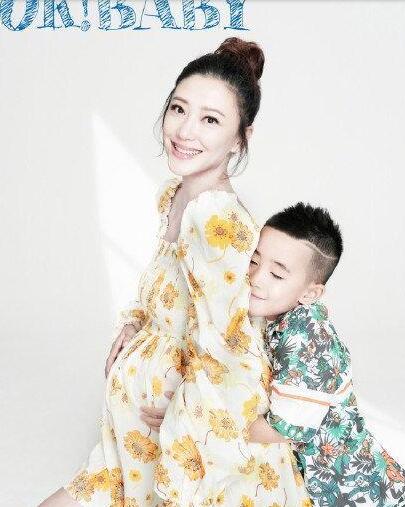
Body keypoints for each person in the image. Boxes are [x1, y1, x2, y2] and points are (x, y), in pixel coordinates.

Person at [38, 37, 309, 507]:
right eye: (179, 109)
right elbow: (168, 285)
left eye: (210, 120)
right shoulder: (176, 195)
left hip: (187, 443)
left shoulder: (218, 219)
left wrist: (187, 415)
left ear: (240, 138)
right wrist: (137, 321)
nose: (185, 130)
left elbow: (231, 344)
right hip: (134, 439)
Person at [245, 203, 405, 506]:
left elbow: (286, 425)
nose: (256, 277)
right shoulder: (274, 317)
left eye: (277, 275)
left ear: (310, 293)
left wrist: (204, 423)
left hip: (352, 490)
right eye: (253, 261)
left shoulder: (305, 335)